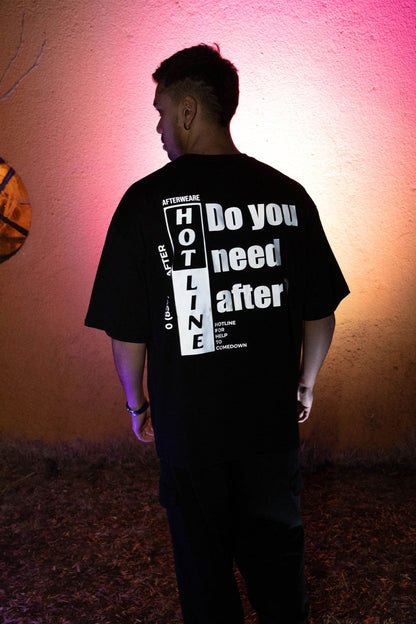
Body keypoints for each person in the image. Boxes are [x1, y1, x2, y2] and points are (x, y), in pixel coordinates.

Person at [85, 44, 349, 624]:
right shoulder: (289, 196)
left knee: (206, 588)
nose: (158, 127)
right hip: (269, 434)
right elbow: (321, 313)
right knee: (281, 581)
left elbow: (127, 333)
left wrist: (137, 404)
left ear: (187, 111)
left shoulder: (144, 203)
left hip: (190, 437)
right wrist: (305, 384)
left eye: (160, 112)